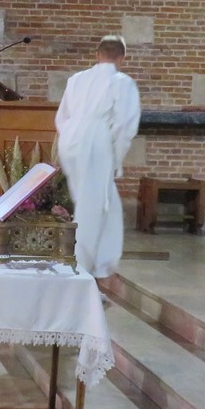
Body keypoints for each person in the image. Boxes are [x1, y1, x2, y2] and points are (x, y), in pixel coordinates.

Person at [55, 35, 141, 280]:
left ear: (97, 54)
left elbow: (62, 117)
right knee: (91, 206)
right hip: (96, 140)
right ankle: (79, 268)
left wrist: (70, 138)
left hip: (70, 138)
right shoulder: (122, 82)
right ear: (122, 58)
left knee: (107, 204)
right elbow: (124, 125)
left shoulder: (76, 79)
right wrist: (115, 158)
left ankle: (104, 264)